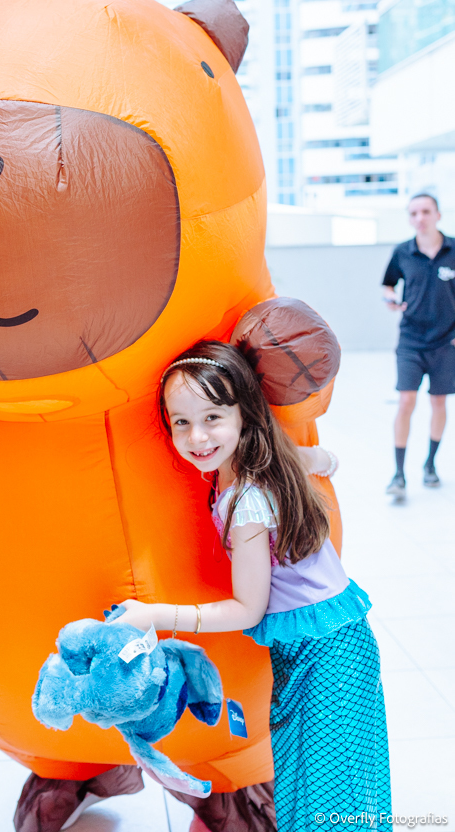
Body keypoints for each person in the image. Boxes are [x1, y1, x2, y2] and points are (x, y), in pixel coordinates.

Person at [113, 340, 391, 832]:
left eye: (213, 417)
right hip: (335, 645)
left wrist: (152, 615)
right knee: (325, 788)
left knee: (327, 801)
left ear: (244, 414)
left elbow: (247, 610)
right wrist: (320, 459)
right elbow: (314, 458)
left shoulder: (246, 504)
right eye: (181, 421)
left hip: (325, 657)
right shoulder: (266, 462)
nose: (197, 435)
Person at [382, 192, 455, 500]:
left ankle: (430, 464)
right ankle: (398, 473)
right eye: (414, 213)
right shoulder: (403, 252)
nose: (420, 218)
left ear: (438, 214)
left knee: (439, 404)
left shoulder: (454, 249)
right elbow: (387, 284)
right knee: (406, 402)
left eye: (425, 212)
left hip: (446, 343)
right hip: (411, 341)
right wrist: (390, 299)